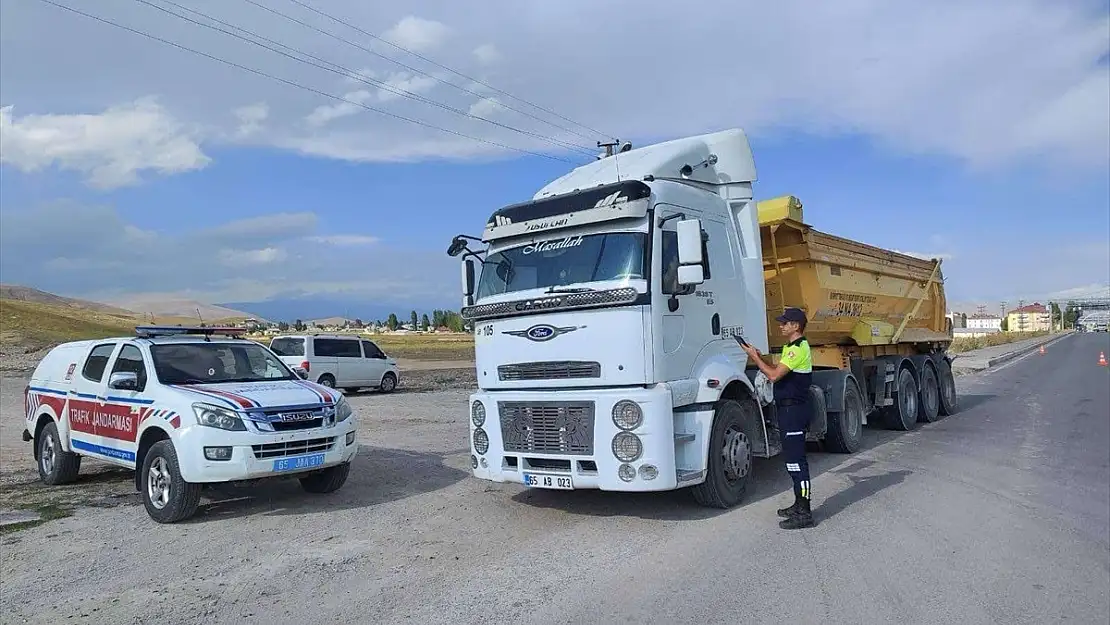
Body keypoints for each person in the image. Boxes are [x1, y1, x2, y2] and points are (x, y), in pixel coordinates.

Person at [738, 307, 815, 529]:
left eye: (785, 323)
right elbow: (777, 370)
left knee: (797, 461)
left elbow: (772, 376)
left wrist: (754, 358)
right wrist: (759, 356)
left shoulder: (798, 348)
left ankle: (805, 511)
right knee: (791, 461)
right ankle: (798, 504)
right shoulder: (790, 347)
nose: (781, 325)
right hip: (787, 410)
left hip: (795, 411)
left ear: (796, 326)